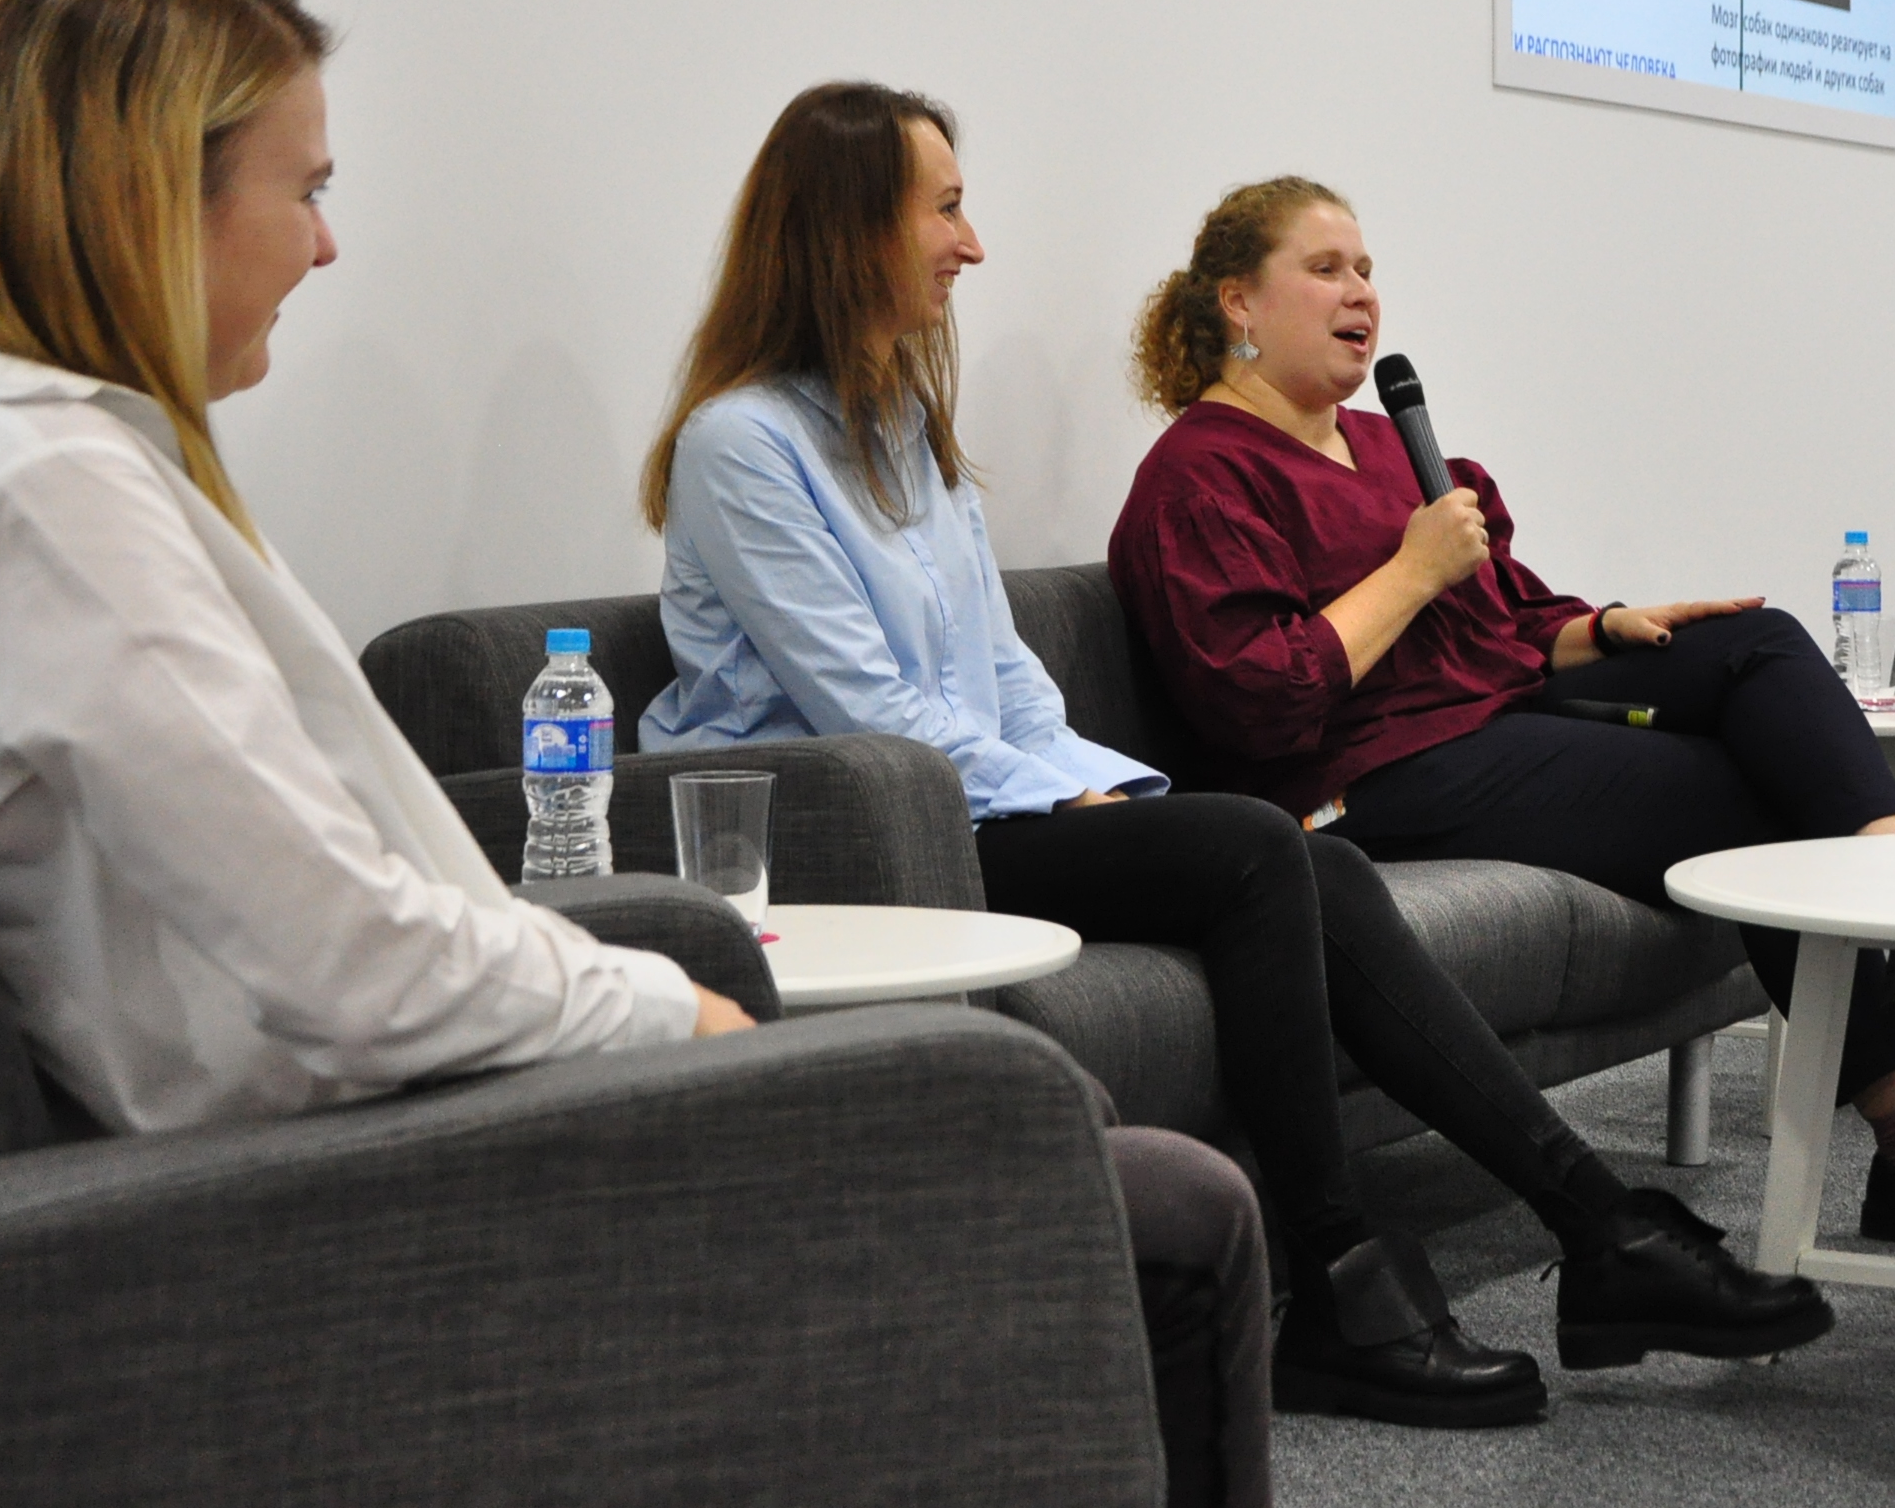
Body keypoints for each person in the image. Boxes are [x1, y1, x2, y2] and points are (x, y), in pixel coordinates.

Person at [0, 0, 1278, 1508]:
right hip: (340, 1197)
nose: (329, 247)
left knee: (1081, 1114)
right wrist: (672, 1017)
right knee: (1167, 1211)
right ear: (146, 196)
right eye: (308, 188)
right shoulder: (49, 496)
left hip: (360, 1133)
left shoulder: (55, 469)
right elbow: (350, 963)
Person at [637, 83, 1830, 1433]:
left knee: (1303, 864)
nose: (972, 245)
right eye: (947, 210)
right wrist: (1074, 798)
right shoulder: (743, 445)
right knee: (1263, 846)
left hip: (970, 806)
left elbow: (1006, 679)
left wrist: (1110, 786)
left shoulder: (909, 438)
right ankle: (1381, 1274)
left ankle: (1567, 1238)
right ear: (851, 226)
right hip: (844, 834)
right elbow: (871, 714)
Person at [1107, 178, 1895, 1258]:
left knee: (1758, 644)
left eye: (1366, 269)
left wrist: (1603, 628)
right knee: (1737, 799)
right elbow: (1262, 700)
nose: (1360, 292)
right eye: (1325, 270)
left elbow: (1501, 621)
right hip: (1364, 778)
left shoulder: (1390, 446)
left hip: (1489, 712)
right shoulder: (1198, 476)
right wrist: (1411, 570)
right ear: (1238, 302)